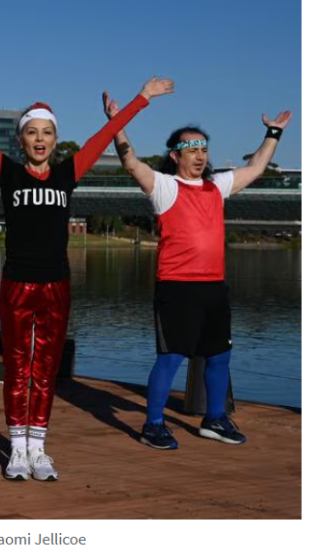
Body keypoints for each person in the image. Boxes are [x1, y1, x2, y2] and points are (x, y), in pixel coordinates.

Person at [0, 56, 173, 481]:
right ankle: (16, 449)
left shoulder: (69, 173)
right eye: (32, 132)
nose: (40, 139)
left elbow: (103, 136)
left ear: (55, 139)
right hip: (17, 285)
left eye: (47, 132)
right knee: (18, 368)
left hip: (56, 285)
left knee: (46, 369)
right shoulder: (8, 172)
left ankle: (38, 449)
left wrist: (142, 98)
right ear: (21, 139)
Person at [105, 92, 292, 450]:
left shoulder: (216, 186)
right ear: (175, 156)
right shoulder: (164, 187)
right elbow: (130, 162)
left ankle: (215, 419)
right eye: (191, 149)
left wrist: (273, 133)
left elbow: (255, 168)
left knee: (219, 356)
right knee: (171, 357)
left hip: (214, 287)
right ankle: (153, 425)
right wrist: (117, 123)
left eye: (203, 148)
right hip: (177, 288)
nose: (200, 155)